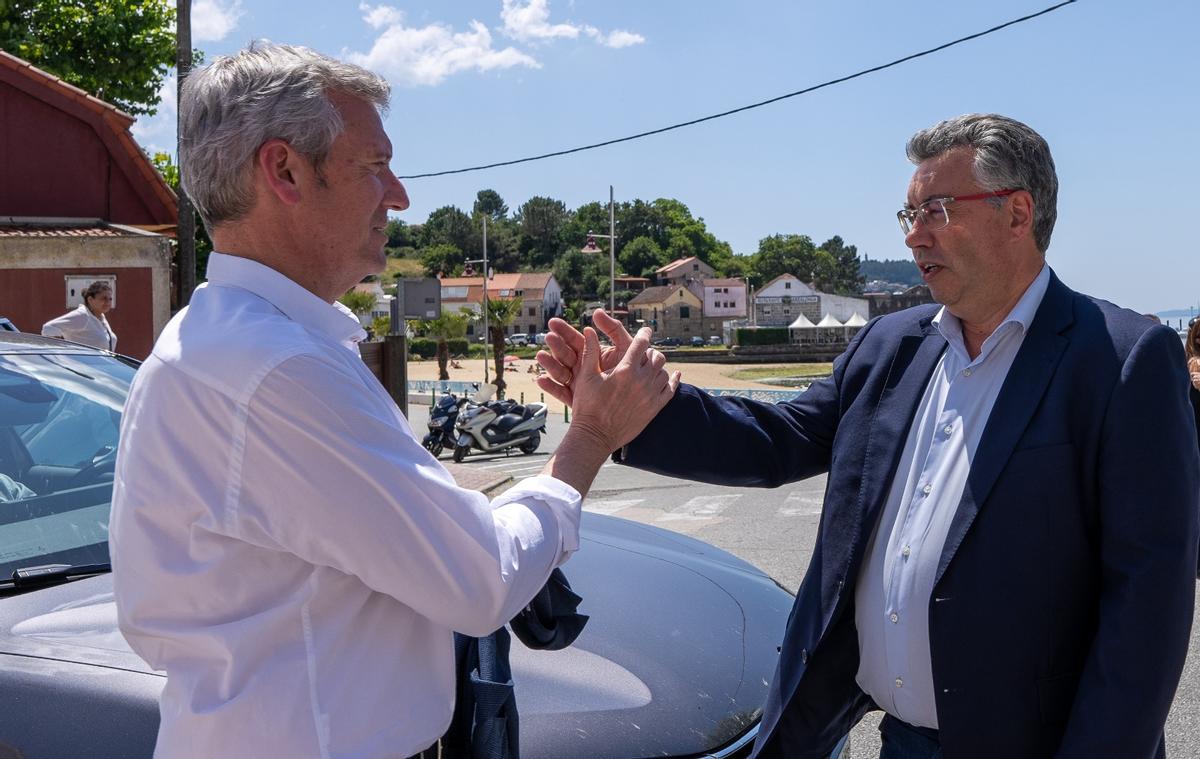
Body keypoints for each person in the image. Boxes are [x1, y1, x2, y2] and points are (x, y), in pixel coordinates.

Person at [538, 114, 1200, 759]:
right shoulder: (892, 345)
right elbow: (777, 436)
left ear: (1017, 213)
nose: (914, 237)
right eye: (908, 216)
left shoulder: (1120, 360)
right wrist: (635, 409)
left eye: (935, 210)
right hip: (899, 739)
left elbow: (1147, 606)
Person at [108, 41, 677, 758]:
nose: (399, 194)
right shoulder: (274, 371)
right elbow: (479, 577)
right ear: (283, 169)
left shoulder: (221, 343)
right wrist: (590, 436)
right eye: (373, 167)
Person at [41, 280, 117, 351]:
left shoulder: (101, 317)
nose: (108, 302)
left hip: (102, 364)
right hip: (82, 365)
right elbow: (48, 328)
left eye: (110, 299)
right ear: (90, 300)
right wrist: (61, 353)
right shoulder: (83, 315)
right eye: (103, 298)